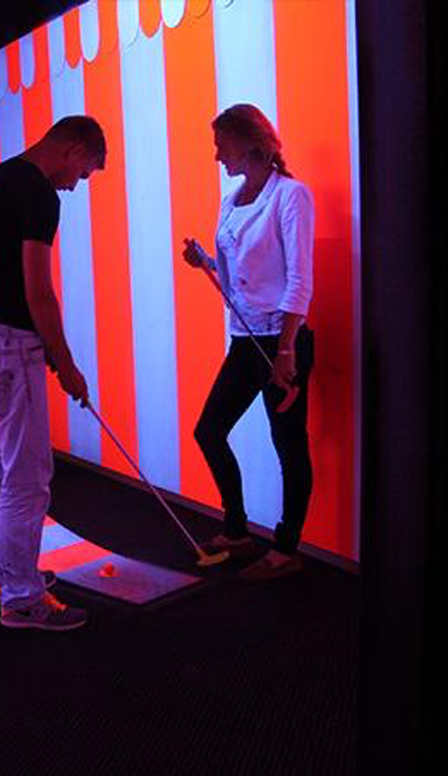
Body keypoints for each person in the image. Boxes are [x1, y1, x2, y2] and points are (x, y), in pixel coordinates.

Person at [0, 115, 105, 630]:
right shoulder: (39, 193)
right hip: (6, 346)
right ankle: (22, 598)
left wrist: (53, 356)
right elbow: (38, 291)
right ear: (74, 149)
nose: (74, 184)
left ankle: (3, 576)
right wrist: (67, 363)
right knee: (28, 476)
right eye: (83, 172)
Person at [182, 103, 316, 581]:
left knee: (288, 446)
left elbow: (299, 280)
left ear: (248, 142)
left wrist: (287, 351)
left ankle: (286, 549)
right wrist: (206, 263)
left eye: (222, 144)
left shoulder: (290, 196)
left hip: (283, 341)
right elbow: (238, 279)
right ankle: (237, 531)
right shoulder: (232, 199)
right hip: (245, 339)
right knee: (209, 431)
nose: (217, 155)